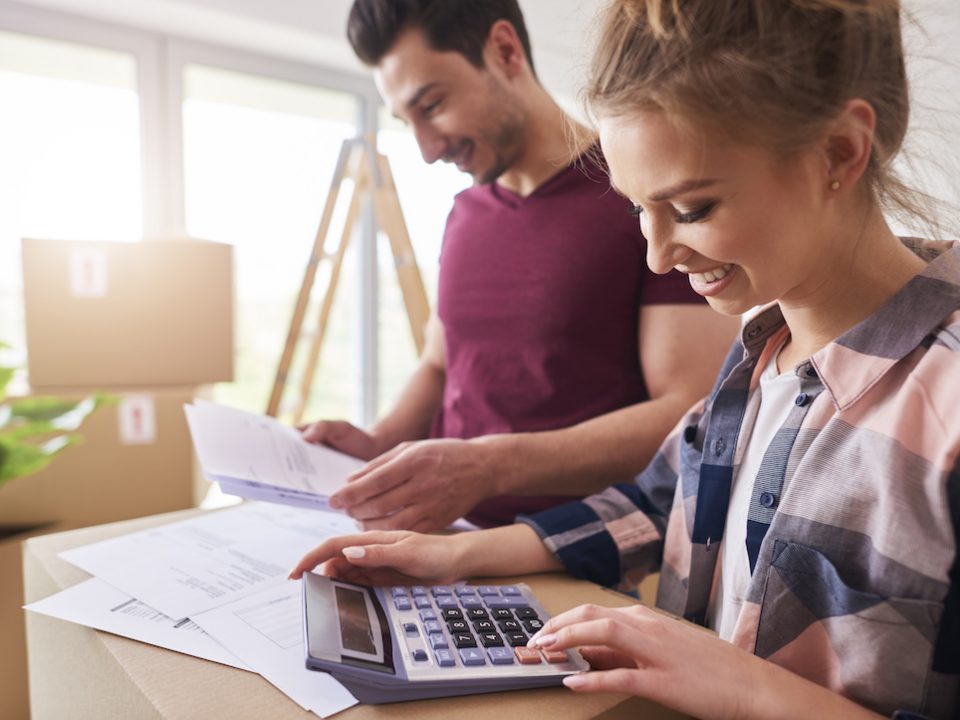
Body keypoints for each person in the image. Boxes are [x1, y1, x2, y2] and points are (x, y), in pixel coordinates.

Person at [292, 0, 960, 716]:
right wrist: (457, 556)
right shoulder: (759, 357)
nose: (658, 254)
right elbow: (655, 502)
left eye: (694, 209)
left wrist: (738, 682)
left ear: (839, 153)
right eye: (640, 209)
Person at [301, 0, 737, 533]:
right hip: (439, 538)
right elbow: (440, 365)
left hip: (572, 553)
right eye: (407, 122)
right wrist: (377, 441)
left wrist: (490, 467)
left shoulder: (641, 197)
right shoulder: (464, 213)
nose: (427, 149)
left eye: (432, 104)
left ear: (505, 51)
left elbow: (688, 413)